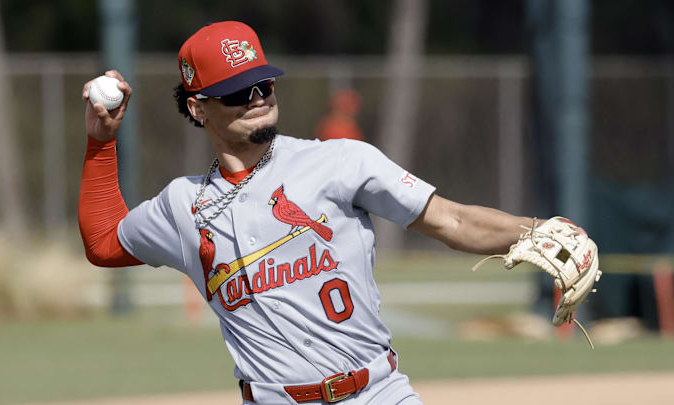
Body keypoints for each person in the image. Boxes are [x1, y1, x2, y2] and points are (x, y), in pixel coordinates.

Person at [79, 21, 540, 405]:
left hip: (377, 393)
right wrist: (101, 143)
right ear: (198, 108)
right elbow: (103, 242)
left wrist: (539, 232)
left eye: (264, 83)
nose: (257, 96)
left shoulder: (338, 161)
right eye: (238, 90)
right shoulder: (181, 204)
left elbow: (452, 220)